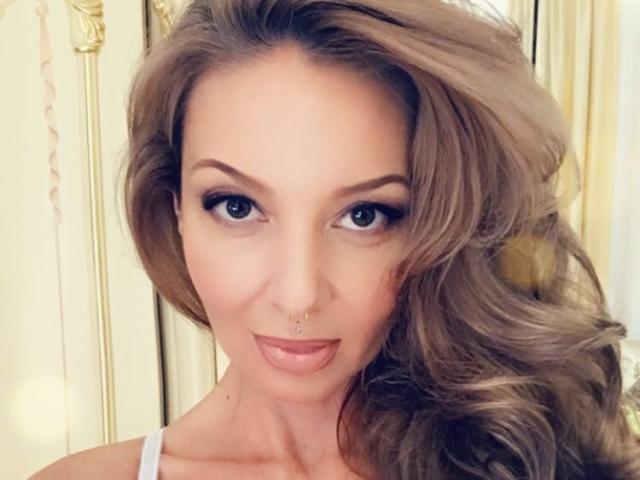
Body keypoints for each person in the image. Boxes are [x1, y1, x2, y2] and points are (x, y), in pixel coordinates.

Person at [32, 0, 640, 479]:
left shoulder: (532, 453)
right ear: (177, 212)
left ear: (439, 225)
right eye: (237, 207)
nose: (298, 295)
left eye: (365, 216)